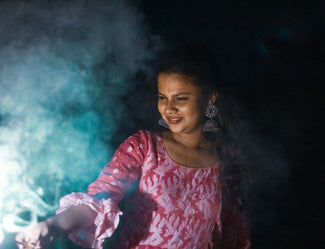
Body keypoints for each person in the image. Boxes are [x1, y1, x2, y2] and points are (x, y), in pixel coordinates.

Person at [16, 44, 251, 249]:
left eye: (181, 99)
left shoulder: (226, 161)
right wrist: (52, 226)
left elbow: (236, 238)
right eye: (162, 97)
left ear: (209, 99)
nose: (169, 108)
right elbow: (99, 200)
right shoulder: (144, 147)